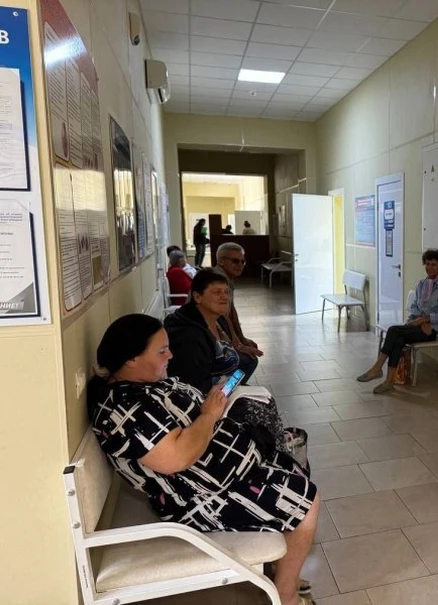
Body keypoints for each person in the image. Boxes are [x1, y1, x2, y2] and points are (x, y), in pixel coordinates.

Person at [87, 314, 319, 605]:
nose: (170, 355)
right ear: (131, 359)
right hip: (201, 498)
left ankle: (285, 572)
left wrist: (211, 405)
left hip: (221, 475)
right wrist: (209, 415)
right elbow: (177, 458)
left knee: (293, 467)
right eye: (161, 351)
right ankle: (286, 594)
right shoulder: (125, 410)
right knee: (307, 500)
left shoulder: (140, 385)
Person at [357, 249, 438, 394]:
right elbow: (414, 307)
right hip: (417, 326)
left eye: (433, 264)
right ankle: (389, 381)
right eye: (427, 264)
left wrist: (423, 319)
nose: (429, 267)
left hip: (430, 331)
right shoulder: (422, 284)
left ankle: (377, 368)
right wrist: (419, 321)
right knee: (398, 340)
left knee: (393, 330)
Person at [164, 269, 252, 394]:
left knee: (250, 362)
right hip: (206, 397)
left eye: (226, 292)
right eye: (217, 292)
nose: (225, 297)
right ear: (197, 297)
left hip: (224, 387)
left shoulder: (218, 318)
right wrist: (228, 392)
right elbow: (194, 388)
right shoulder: (188, 336)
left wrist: (232, 386)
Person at [215, 242, 264, 374]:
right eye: (235, 261)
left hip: (214, 335)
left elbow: (231, 313)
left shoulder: (225, 278)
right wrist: (237, 345)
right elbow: (223, 317)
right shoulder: (218, 280)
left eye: (243, 261)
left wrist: (241, 338)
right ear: (221, 261)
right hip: (206, 340)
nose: (240, 265)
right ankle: (229, 387)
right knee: (248, 361)